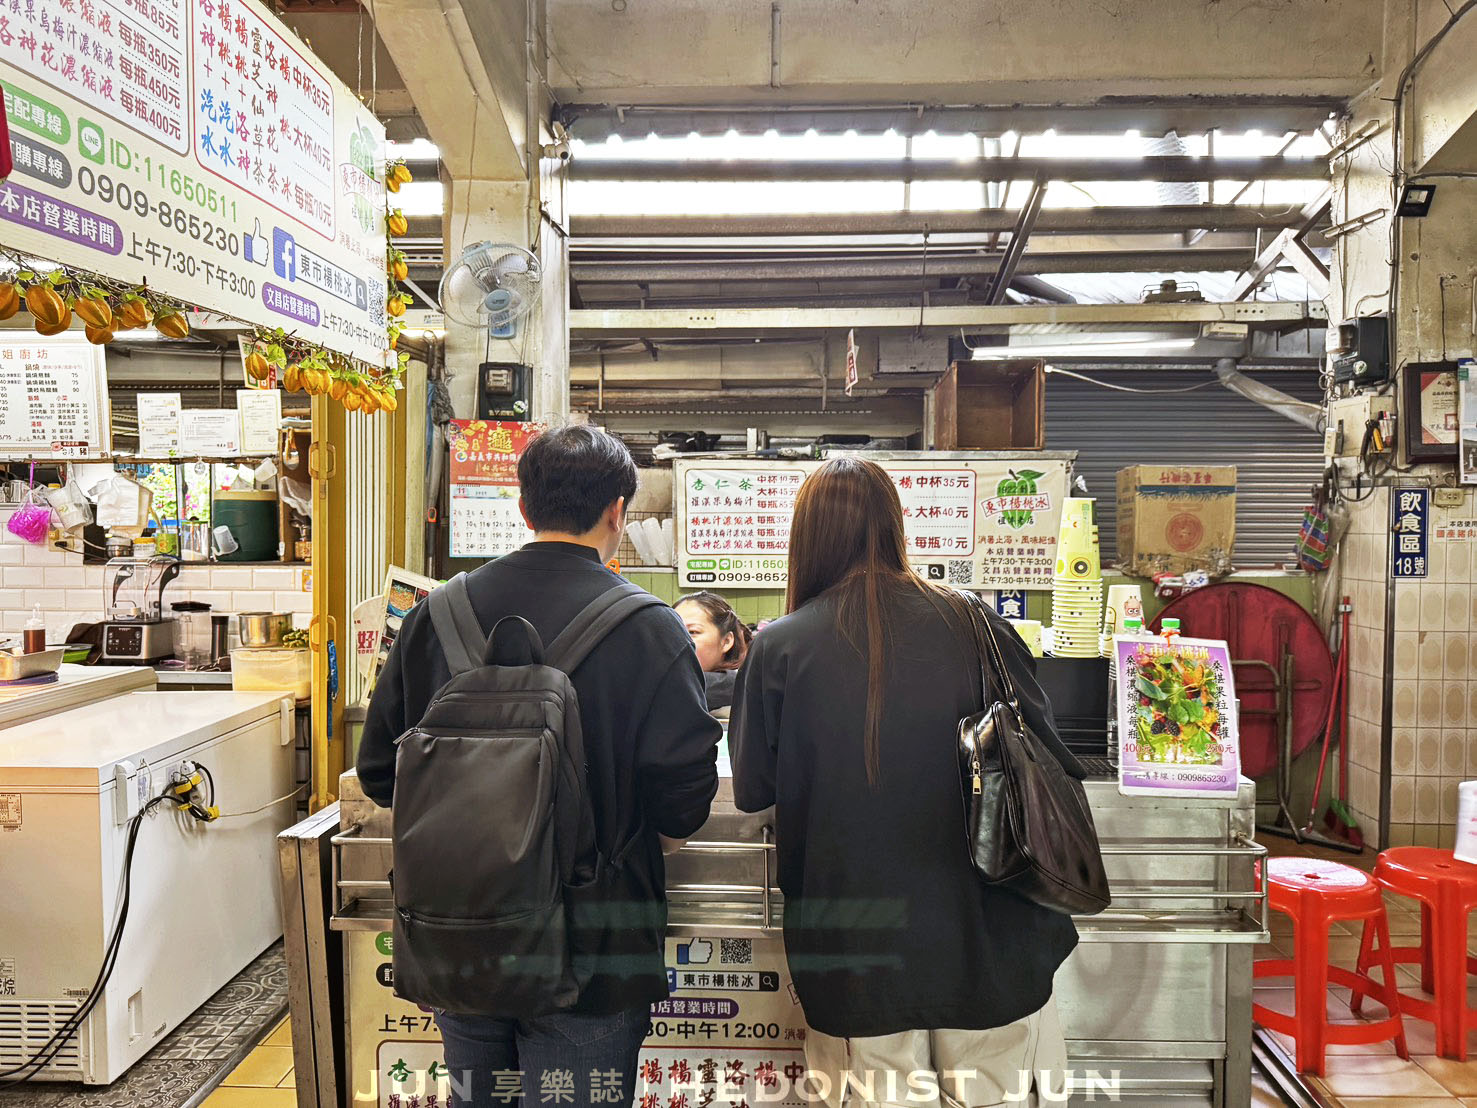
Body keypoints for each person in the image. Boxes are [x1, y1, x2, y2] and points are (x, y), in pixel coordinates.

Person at [357, 424, 722, 1108]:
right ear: (618, 512)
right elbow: (682, 798)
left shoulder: (438, 613)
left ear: (522, 509)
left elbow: (381, 772)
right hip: (594, 946)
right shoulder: (650, 628)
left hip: (459, 931)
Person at [730, 457, 1084, 1108]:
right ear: (893, 526)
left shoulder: (778, 645)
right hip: (989, 938)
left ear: (805, 539)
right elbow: (1052, 758)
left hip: (855, 956)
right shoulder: (978, 624)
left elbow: (751, 789)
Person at [673, 590, 752, 713]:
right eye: (673, 631)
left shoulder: (746, 686)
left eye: (693, 632)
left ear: (726, 641)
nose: (677, 640)